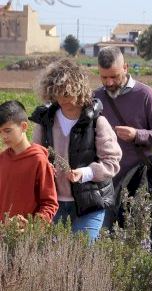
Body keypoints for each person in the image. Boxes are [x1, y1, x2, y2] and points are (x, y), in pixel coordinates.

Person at [30, 58, 121, 242]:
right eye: (57, 93)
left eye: (66, 93)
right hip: (52, 203)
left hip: (90, 203)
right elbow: (35, 158)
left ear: (79, 89)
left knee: (82, 251)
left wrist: (85, 173)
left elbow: (112, 163)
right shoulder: (44, 121)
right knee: (52, 254)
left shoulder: (97, 122)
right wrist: (44, 169)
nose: (62, 99)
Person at [94, 46, 152, 182]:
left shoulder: (145, 95)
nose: (109, 82)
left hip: (137, 177)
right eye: (104, 77)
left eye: (114, 76)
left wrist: (137, 135)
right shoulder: (95, 97)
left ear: (125, 68)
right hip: (105, 180)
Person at [0, 100, 58, 225]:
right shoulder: (2, 159)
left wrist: (32, 226)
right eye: (0, 132)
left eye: (7, 130)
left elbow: (49, 203)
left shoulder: (38, 160)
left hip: (26, 234)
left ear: (24, 126)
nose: (3, 136)